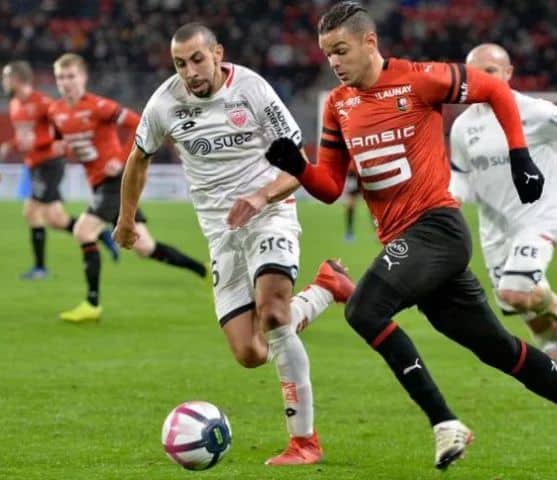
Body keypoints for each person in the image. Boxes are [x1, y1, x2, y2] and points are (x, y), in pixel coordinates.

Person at [254, 2, 557, 474]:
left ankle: (445, 422)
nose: (333, 62)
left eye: (341, 50)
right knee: (500, 350)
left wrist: (520, 155)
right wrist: (299, 168)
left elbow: (494, 88)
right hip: (410, 244)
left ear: (370, 43)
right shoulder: (337, 106)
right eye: (327, 54)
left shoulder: (418, 80)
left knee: (364, 309)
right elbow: (330, 188)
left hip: (437, 228)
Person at [113, 23, 355, 466]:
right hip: (220, 233)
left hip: (270, 213)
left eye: (197, 60)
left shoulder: (253, 90)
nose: (190, 71)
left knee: (276, 314)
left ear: (217, 53)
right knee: (250, 352)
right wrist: (126, 219)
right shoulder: (165, 101)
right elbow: (138, 159)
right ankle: (326, 288)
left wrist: (262, 196)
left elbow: (299, 163)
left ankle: (304, 443)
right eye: (180, 64)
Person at [449, 43, 557, 395]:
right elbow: (459, 171)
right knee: (514, 301)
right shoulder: (463, 125)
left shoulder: (534, 111)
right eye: (473, 72)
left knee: (516, 290)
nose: (480, 79)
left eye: (489, 71)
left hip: (538, 216)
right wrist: (452, 198)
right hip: (494, 227)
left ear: (508, 74)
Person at [48, 53, 207, 323]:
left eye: (72, 76)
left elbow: (139, 124)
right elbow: (59, 141)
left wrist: (121, 158)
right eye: (61, 77)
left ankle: (92, 303)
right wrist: (60, 148)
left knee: (83, 231)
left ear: (83, 77)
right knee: (145, 247)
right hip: (99, 184)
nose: (66, 82)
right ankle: (205, 271)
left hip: (117, 181)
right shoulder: (56, 112)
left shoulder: (100, 106)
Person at [1, 60, 118, 279]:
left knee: (31, 211)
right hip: (34, 165)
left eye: (6, 77)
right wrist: (10, 146)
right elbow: (26, 137)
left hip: (49, 164)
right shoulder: (16, 104)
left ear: (17, 79)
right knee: (56, 219)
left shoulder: (43, 103)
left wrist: (59, 141)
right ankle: (101, 234)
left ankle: (40, 268)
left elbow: (62, 124)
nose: (4, 82)